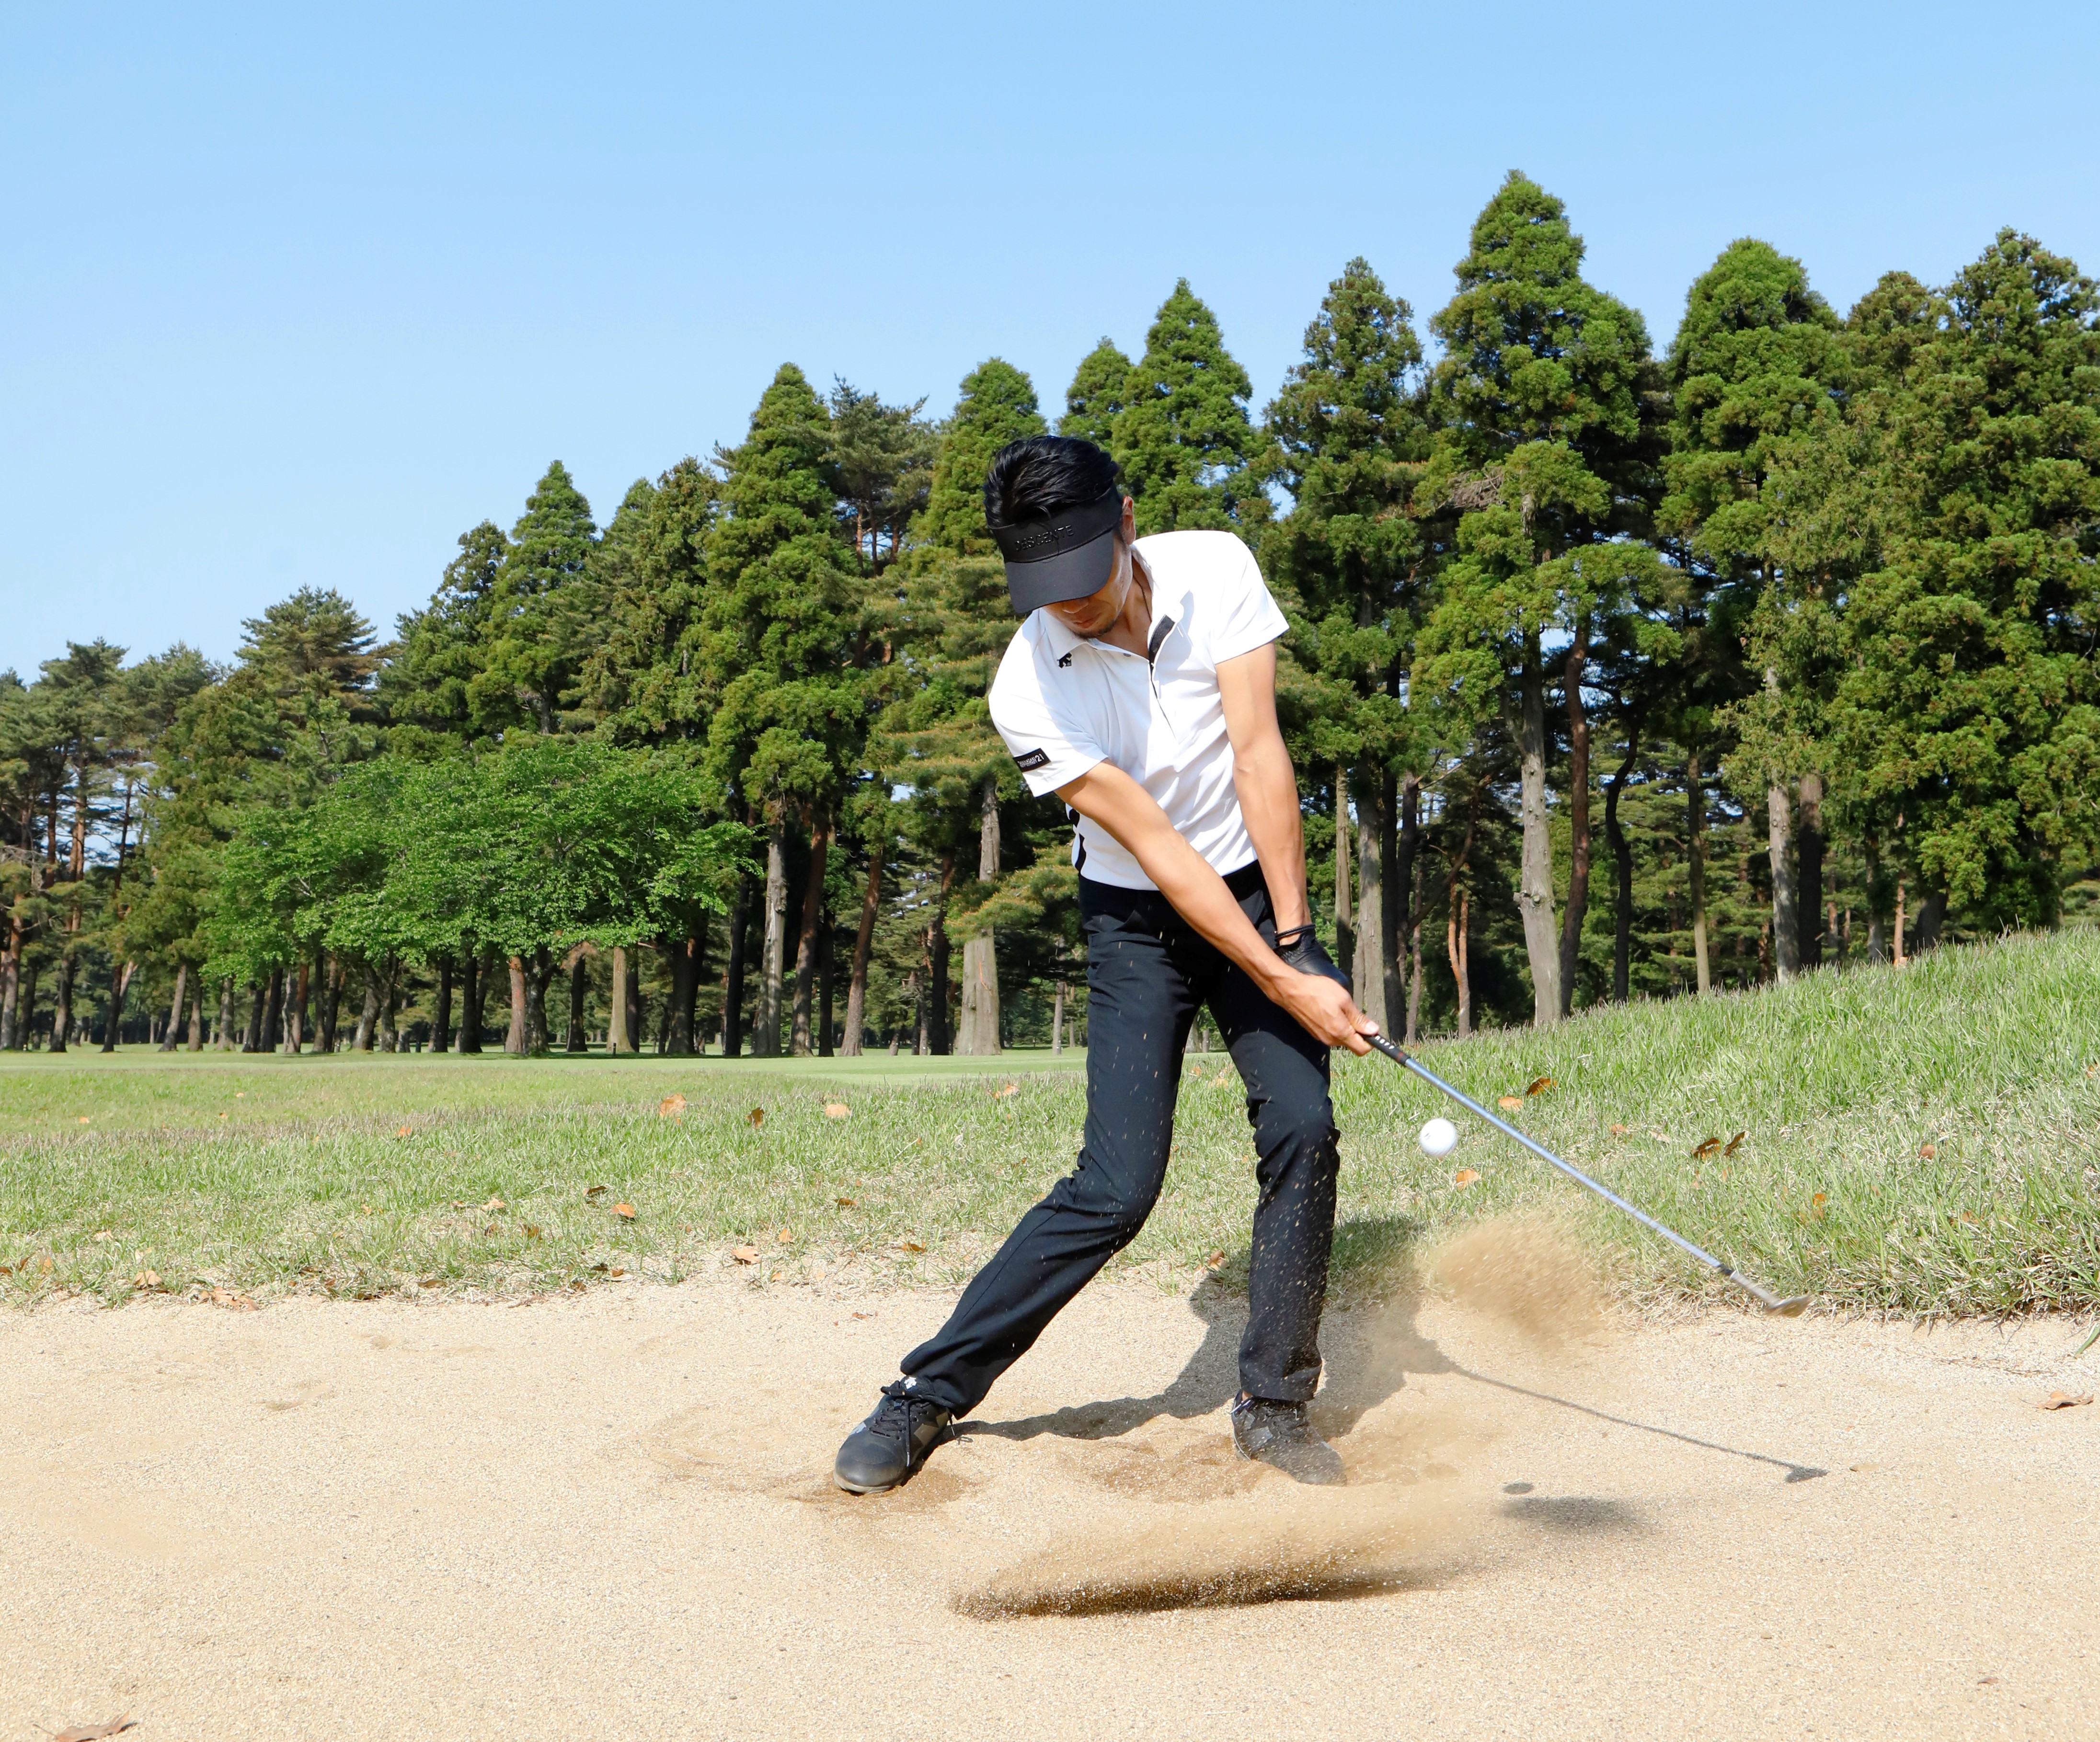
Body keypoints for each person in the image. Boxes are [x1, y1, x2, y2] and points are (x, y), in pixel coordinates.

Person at [834, 434, 1376, 1493]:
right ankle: (924, 1396)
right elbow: (1160, 850)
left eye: (1083, 578)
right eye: (1043, 590)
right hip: (1136, 914)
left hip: (1257, 892)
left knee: (1304, 1130)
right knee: (1114, 1188)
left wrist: (1295, 940)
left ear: (1124, 520)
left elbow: (1259, 753)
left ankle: (1273, 1403)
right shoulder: (1025, 687)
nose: (1070, 607)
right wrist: (1281, 983)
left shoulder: (1216, 567)